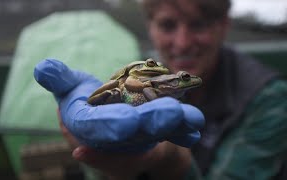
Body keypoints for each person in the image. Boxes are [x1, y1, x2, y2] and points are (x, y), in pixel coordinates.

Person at [34, 0, 287, 179]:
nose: (182, 43)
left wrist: (172, 163)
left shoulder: (269, 97)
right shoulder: (145, 72)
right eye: (167, 25)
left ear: (223, 26)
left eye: (198, 24)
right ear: (150, 28)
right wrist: (100, 160)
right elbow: (120, 94)